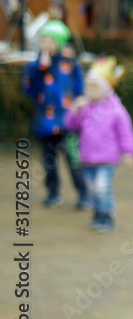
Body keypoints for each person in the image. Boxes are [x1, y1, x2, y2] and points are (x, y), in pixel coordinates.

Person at [21, 19, 88, 209]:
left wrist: (81, 98)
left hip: (69, 122)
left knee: (74, 159)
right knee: (48, 161)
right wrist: (39, 69)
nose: (46, 44)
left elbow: (78, 85)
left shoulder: (70, 62)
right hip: (45, 123)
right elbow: (29, 88)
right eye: (44, 40)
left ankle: (84, 193)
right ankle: (52, 192)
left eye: (51, 41)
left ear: (59, 42)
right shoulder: (35, 66)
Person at [64, 57, 133, 233]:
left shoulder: (116, 110)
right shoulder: (86, 108)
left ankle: (106, 215)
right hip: (88, 157)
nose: (89, 91)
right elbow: (71, 125)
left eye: (94, 87)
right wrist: (75, 111)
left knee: (101, 187)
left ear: (105, 89)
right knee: (91, 188)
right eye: (88, 86)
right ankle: (97, 213)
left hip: (107, 158)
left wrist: (128, 152)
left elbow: (125, 133)